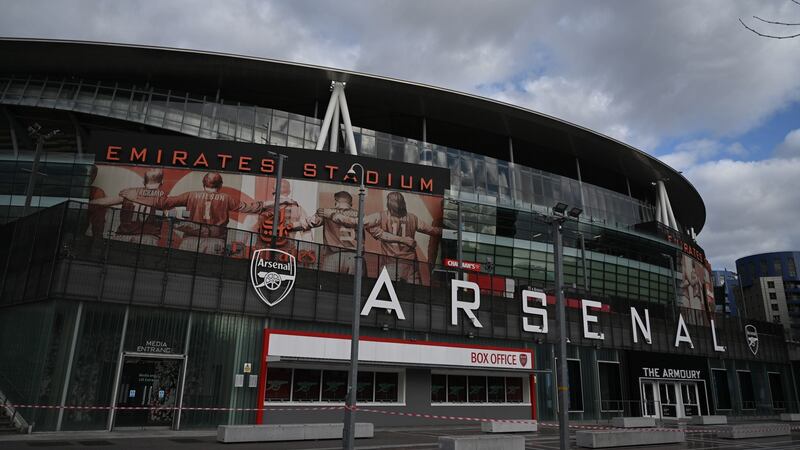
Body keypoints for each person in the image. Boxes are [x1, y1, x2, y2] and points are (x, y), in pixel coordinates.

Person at [332, 191, 441, 283]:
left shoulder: (380, 216)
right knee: (416, 299)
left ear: (389, 204)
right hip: (410, 265)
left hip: (390, 264)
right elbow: (433, 231)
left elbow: (358, 222)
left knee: (386, 298)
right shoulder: (413, 218)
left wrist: (334, 215)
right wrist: (451, 232)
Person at [152, 172, 242, 255]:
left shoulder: (191, 195)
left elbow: (165, 202)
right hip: (215, 241)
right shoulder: (227, 198)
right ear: (221, 185)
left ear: (203, 183)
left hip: (190, 240)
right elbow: (247, 208)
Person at [89, 168, 166, 246]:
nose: (152, 169)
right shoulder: (163, 199)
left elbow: (102, 202)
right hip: (145, 237)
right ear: (162, 182)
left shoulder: (129, 194)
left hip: (125, 236)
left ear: (143, 182)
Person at [290, 190, 360, 273]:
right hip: (356, 258)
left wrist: (289, 226)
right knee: (356, 285)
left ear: (336, 202)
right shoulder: (360, 215)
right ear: (350, 203)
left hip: (333, 256)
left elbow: (310, 223)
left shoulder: (325, 212)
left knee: (326, 283)